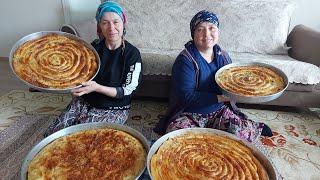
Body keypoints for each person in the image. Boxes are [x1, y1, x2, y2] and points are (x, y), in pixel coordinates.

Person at [154, 10, 272, 142]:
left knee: (242, 135)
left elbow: (232, 86)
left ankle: (255, 127)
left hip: (218, 111)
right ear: (193, 34)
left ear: (218, 31)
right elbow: (185, 97)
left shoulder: (224, 57)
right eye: (200, 29)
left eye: (212, 28)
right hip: (190, 113)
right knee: (178, 140)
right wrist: (219, 98)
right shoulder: (185, 60)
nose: (207, 34)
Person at [45, 1, 142, 136]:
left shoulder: (132, 54)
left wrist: (97, 88)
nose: (111, 28)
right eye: (105, 22)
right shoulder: (92, 48)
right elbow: (80, 76)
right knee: (54, 135)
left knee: (87, 139)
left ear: (123, 23)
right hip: (85, 102)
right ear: (99, 26)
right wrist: (76, 88)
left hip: (114, 108)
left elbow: (128, 91)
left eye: (116, 22)